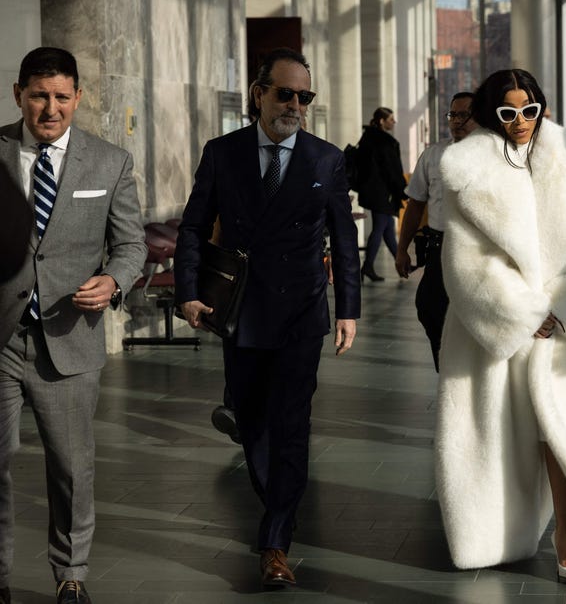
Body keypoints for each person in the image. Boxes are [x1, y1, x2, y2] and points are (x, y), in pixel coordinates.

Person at [435, 69, 566, 579]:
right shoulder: (467, 168)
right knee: (496, 436)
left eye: (529, 109)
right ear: (490, 114)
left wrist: (558, 312)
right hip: (493, 332)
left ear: (542, 108)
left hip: (564, 332)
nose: (520, 121)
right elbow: (465, 264)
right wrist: (525, 314)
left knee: (560, 433)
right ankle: (495, 533)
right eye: (508, 112)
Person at [174, 47, 360, 590]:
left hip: (302, 312)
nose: (296, 105)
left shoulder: (325, 159)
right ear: (259, 93)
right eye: (285, 94)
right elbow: (192, 226)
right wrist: (188, 289)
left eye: (305, 97)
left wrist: (348, 307)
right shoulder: (222, 153)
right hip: (241, 313)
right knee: (251, 418)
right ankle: (277, 504)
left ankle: (276, 539)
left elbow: (344, 240)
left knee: (292, 424)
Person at [0, 47, 146, 604]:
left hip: (68, 339)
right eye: (39, 95)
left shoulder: (110, 162)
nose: (50, 108)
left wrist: (112, 282)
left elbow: (130, 246)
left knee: (71, 468)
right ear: (19, 94)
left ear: (78, 97)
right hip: (1, 338)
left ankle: (72, 574)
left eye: (63, 97)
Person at [394, 91, 477, 370]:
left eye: (465, 114)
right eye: (454, 114)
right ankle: (446, 368)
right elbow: (415, 206)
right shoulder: (433, 155)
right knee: (431, 309)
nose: (457, 121)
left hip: (478, 254)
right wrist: (401, 249)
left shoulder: (494, 156)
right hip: (440, 249)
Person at [356, 107, 406, 282]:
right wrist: (402, 189)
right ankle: (368, 266)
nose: (394, 122)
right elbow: (392, 170)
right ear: (382, 121)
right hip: (382, 192)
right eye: (391, 119)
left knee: (387, 229)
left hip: (373, 190)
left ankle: (400, 263)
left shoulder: (369, 138)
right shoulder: (385, 142)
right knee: (380, 227)